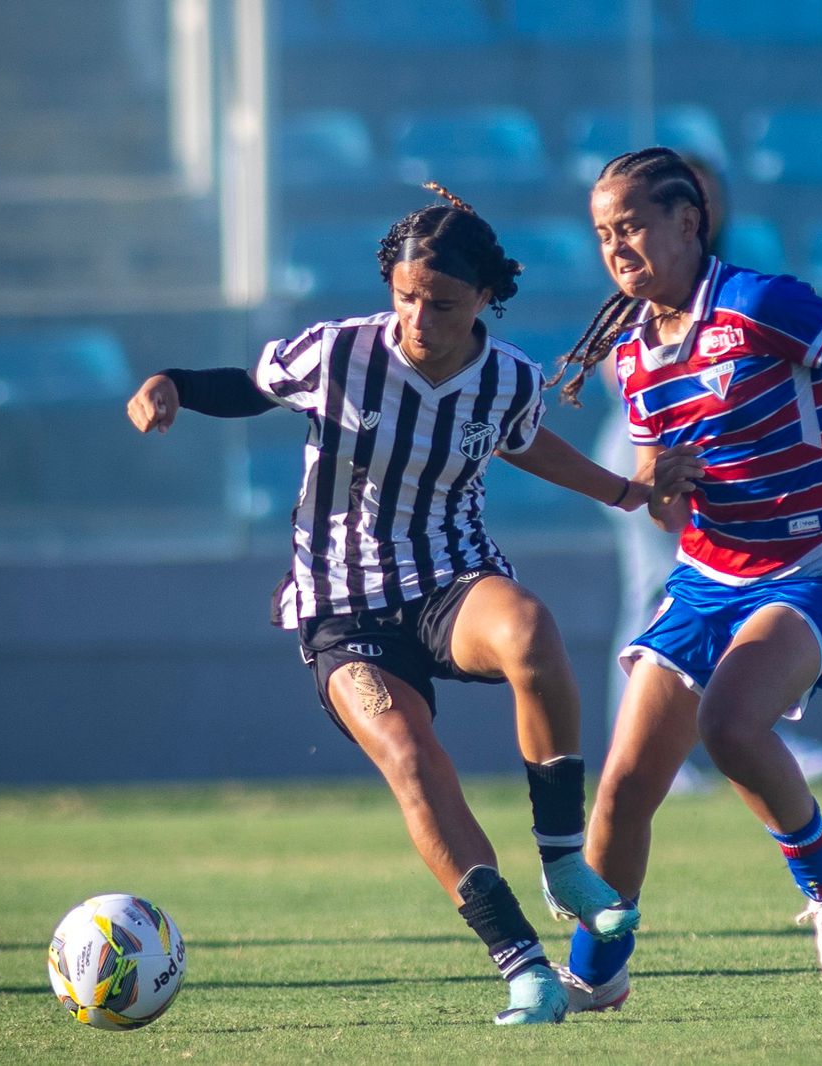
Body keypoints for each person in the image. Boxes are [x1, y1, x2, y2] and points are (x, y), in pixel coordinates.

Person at [125, 184, 646, 1025]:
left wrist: (623, 490)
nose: (418, 318)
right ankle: (524, 968)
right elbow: (246, 384)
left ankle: (562, 860)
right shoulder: (339, 353)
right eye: (405, 297)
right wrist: (170, 385)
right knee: (412, 758)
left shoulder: (507, 378)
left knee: (532, 631)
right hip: (342, 611)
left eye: (440, 303)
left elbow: (523, 442)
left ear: (484, 299)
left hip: (450, 581)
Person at [548, 147, 822, 1010]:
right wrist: (661, 491)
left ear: (688, 222)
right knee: (620, 790)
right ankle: (595, 974)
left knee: (730, 723)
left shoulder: (762, 303)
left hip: (813, 568)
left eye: (634, 226)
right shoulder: (632, 353)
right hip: (706, 578)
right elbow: (664, 507)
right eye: (604, 233)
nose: (618, 247)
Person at [591, 153, 822, 795]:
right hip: (650, 444)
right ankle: (653, 752)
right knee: (659, 592)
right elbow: (616, 363)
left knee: (734, 583)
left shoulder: (723, 283)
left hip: (719, 445)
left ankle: (751, 726)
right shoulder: (644, 273)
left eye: (708, 198)